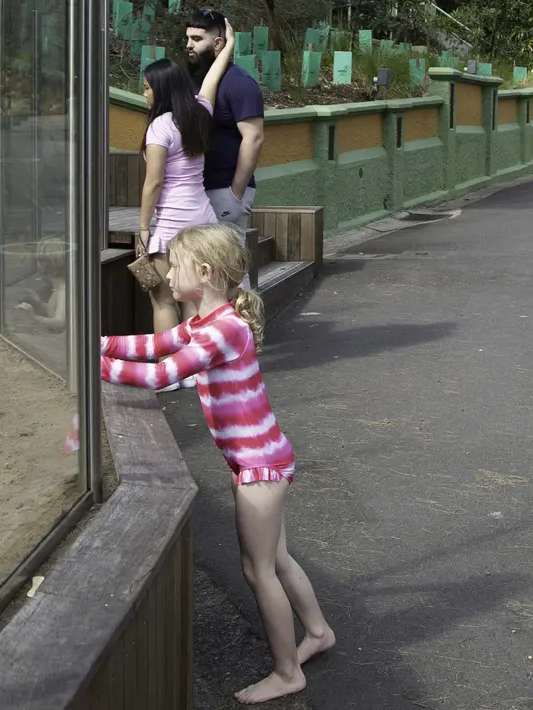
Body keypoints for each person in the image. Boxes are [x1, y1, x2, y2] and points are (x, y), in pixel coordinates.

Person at [99, 223, 335, 705]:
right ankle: (317, 632)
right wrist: (97, 342)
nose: (167, 275)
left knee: (258, 570)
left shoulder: (223, 329)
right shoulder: (208, 323)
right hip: (261, 458)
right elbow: (151, 346)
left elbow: (163, 373)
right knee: (279, 560)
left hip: (259, 469)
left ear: (204, 273)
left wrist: (90, 363)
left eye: (176, 266)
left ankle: (288, 672)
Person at [137, 19, 235, 389]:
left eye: (146, 88)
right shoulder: (198, 113)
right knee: (195, 301)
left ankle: (167, 372)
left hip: (172, 224)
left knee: (163, 299)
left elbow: (154, 183)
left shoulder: (160, 126)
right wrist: (227, 45)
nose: (144, 94)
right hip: (203, 220)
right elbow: (213, 77)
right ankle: (196, 371)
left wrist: (144, 230)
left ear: (160, 89)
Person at [186, 10, 266, 248]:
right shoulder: (191, 80)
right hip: (194, 190)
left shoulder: (239, 83)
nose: (189, 45)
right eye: (188, 38)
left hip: (224, 189)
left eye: (197, 39)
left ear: (218, 43)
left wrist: (235, 193)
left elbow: (254, 137)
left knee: (228, 269)